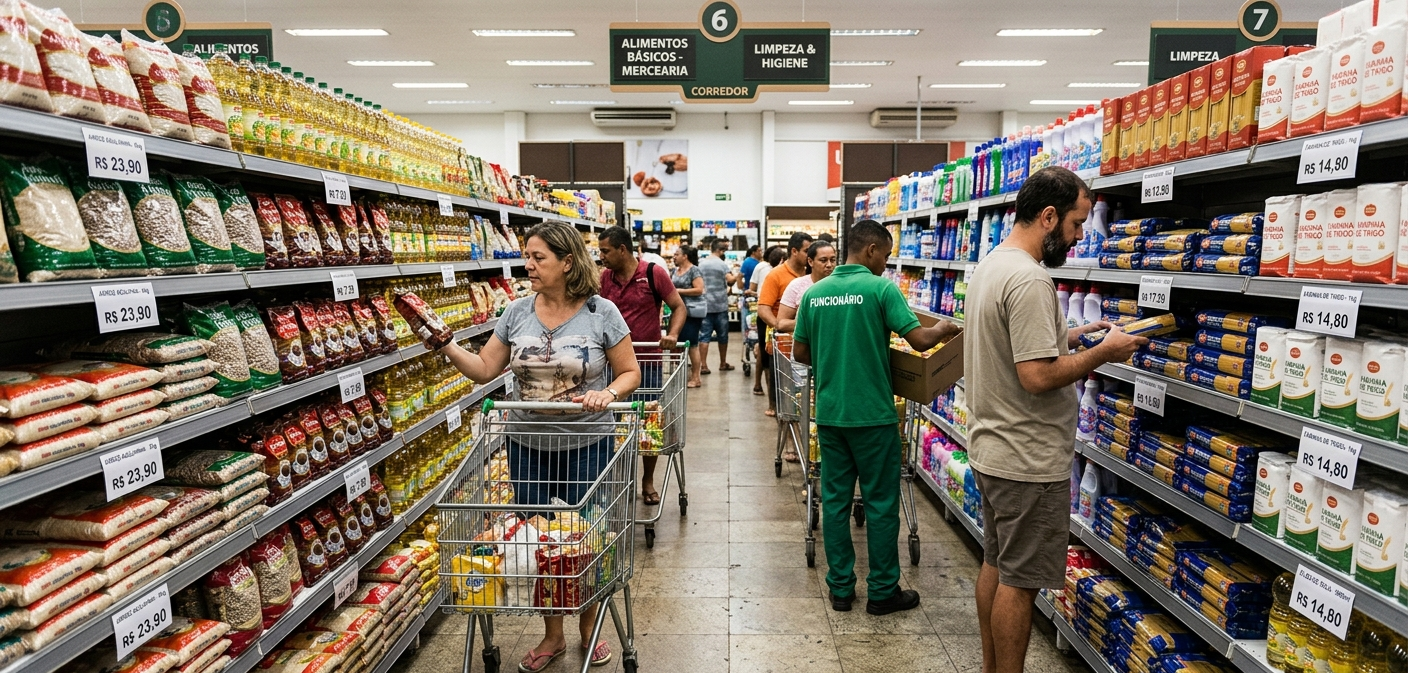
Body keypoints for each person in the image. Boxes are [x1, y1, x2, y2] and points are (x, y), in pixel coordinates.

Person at [435, 220, 641, 672]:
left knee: (584, 537)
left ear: (568, 262)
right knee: (538, 542)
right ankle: (553, 634)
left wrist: (608, 393)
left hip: (588, 443)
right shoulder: (516, 312)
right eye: (526, 256)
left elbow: (630, 372)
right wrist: (446, 344)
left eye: (537, 258)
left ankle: (589, 628)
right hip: (527, 445)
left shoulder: (601, 312)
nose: (527, 265)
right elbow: (485, 370)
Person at [963, 166, 1146, 673]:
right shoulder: (1029, 278)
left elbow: (1013, 345)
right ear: (1048, 216)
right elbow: (1038, 376)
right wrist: (1104, 353)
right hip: (1027, 459)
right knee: (1019, 584)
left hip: (993, 448)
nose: (1080, 235)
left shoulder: (993, 265)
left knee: (995, 566)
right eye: (1076, 223)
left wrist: (1070, 335)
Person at [792, 220, 959, 615]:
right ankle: (883, 592)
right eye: (885, 255)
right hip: (874, 416)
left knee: (833, 502)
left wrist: (837, 358)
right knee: (881, 502)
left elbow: (800, 353)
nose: (885, 263)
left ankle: (841, 590)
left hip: (831, 414)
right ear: (869, 251)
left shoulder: (815, 294)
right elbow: (918, 340)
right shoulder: (881, 288)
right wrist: (945, 328)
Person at [597, 225, 686, 506]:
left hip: (645, 360)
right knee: (610, 423)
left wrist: (671, 335)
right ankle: (614, 479)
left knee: (648, 425)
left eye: (605, 251)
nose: (602, 256)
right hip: (610, 363)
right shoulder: (604, 278)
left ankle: (647, 481)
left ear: (622, 249)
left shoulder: (652, 273)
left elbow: (678, 306)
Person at [771, 239, 838, 461]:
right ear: (810, 261)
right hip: (804, 356)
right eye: (823, 260)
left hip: (834, 357)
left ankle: (826, 452)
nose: (829, 265)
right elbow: (781, 323)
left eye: (833, 260)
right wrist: (809, 321)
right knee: (806, 407)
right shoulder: (798, 287)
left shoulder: (841, 286)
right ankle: (809, 454)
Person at [757, 232, 812, 417]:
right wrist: (779, 326)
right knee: (780, 378)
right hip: (783, 340)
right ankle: (776, 407)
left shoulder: (810, 275)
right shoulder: (776, 275)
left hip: (803, 340)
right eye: (806, 251)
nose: (810, 255)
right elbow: (763, 308)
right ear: (794, 251)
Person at [697, 239, 740, 374]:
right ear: (721, 251)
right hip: (720, 305)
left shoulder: (701, 264)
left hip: (705, 305)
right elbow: (730, 281)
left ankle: (703, 365)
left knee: (704, 336)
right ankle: (722, 363)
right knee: (723, 336)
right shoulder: (722, 265)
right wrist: (738, 274)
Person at [748, 246, 783, 397]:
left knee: (763, 349)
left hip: (766, 317)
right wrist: (778, 325)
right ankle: (773, 397)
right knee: (766, 351)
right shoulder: (776, 274)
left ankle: (758, 385)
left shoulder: (761, 267)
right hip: (773, 319)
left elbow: (752, 288)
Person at [671, 244, 706, 388]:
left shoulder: (694, 270)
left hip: (692, 312)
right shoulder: (675, 270)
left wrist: (678, 291)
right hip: (677, 311)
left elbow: (699, 289)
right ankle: (681, 374)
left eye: (677, 254)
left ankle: (696, 377)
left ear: (685, 256)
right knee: (678, 343)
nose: (674, 257)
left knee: (692, 344)